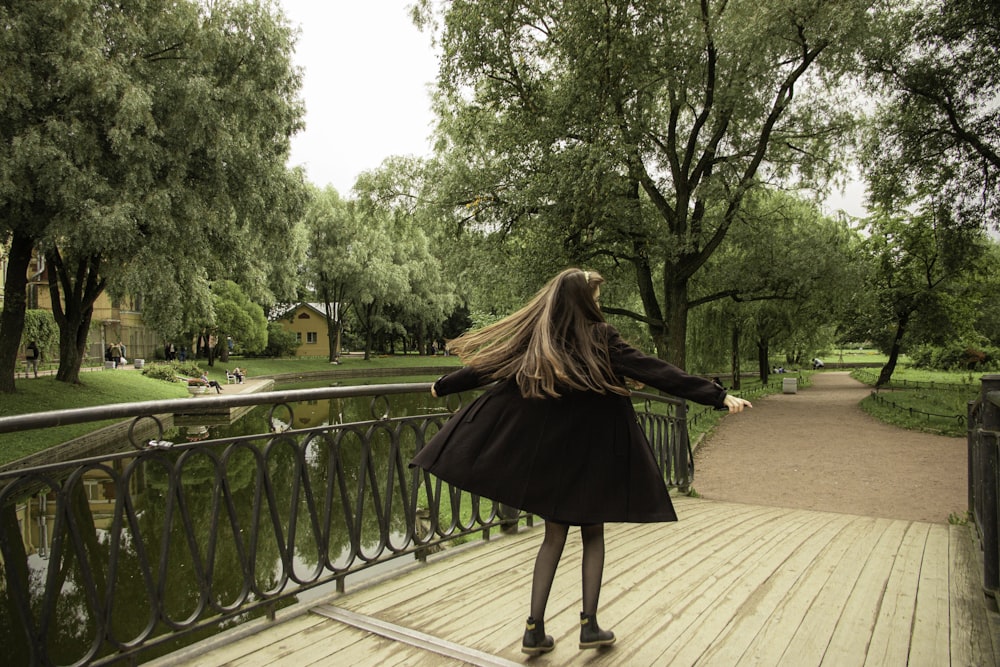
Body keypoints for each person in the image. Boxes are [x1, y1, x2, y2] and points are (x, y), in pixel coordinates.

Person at [410, 268, 751, 656]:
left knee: (553, 537)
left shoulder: (542, 340)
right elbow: (658, 371)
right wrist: (716, 396)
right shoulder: (602, 339)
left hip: (555, 458)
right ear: (582, 302)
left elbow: (487, 367)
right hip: (593, 458)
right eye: (596, 298)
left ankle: (533, 629)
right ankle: (589, 626)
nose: (599, 304)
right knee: (593, 534)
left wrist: (444, 385)